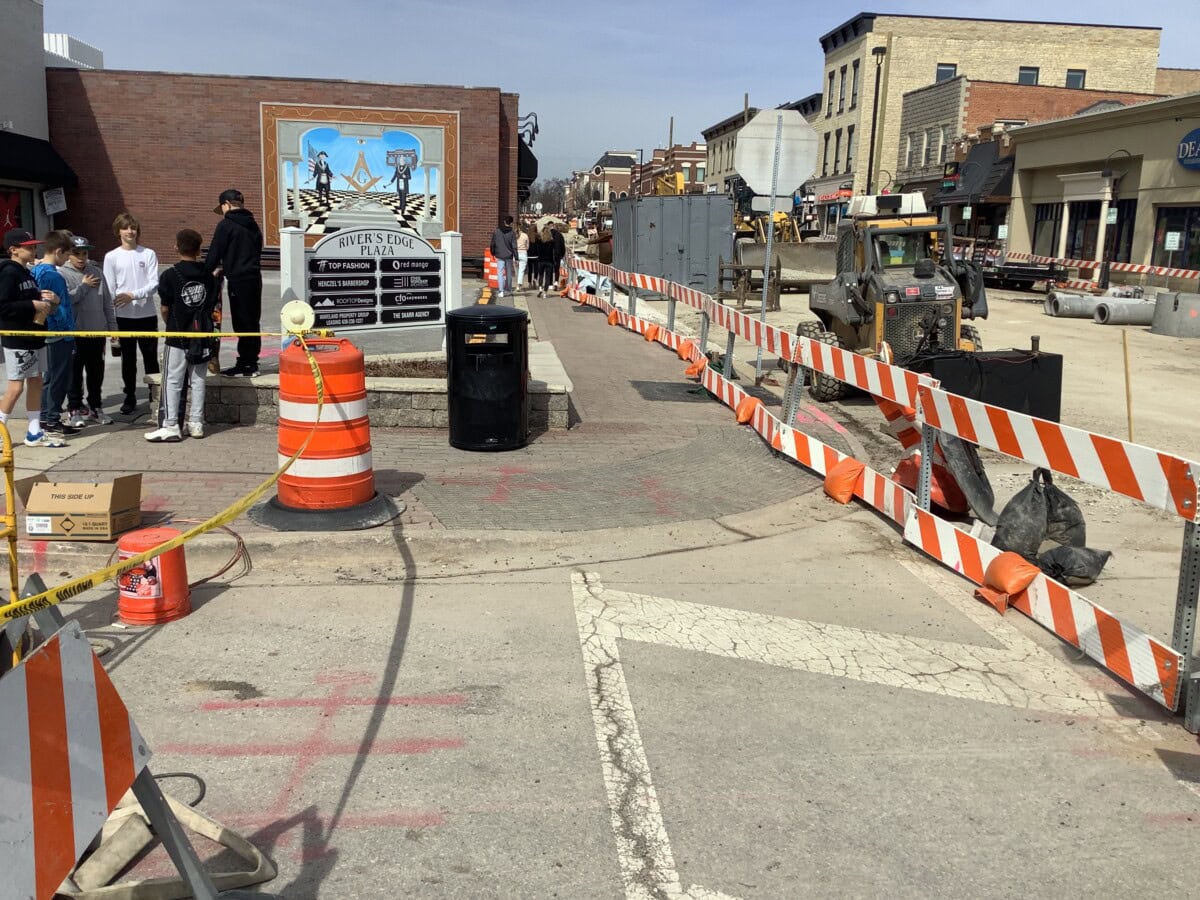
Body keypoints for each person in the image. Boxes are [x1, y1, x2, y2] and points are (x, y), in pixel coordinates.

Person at [145, 228, 217, 442]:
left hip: (178, 333)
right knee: (198, 379)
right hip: (202, 333)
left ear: (176, 247)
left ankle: (171, 424)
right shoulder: (208, 275)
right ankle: (196, 423)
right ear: (198, 249)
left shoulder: (169, 275)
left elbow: (165, 308)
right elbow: (212, 304)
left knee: (173, 380)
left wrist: (170, 324)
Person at [0, 230, 61, 447]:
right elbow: (3, 307)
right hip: (17, 337)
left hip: (35, 336)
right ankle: (0, 428)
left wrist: (49, 300)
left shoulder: (28, 273)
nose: (33, 249)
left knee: (36, 381)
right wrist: (32, 304)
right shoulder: (8, 272)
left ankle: (34, 431)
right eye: (27, 246)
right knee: (16, 386)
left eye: (34, 246)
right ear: (13, 249)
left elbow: (34, 301)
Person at [103, 211, 159, 414]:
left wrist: (133, 295)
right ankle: (130, 395)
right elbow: (109, 288)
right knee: (128, 359)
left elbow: (154, 284)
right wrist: (111, 322)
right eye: (126, 228)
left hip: (146, 315)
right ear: (118, 231)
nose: (130, 231)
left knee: (150, 357)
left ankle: (156, 394)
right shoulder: (111, 256)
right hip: (123, 316)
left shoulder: (148, 253)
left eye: (133, 228)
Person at [206, 189, 263, 377]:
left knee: (241, 322)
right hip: (254, 277)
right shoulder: (253, 225)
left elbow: (215, 252)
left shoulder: (226, 225)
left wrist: (205, 272)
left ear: (226, 205)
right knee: (252, 321)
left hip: (238, 279)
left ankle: (245, 363)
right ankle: (251, 361)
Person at [61, 235, 116, 426]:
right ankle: (74, 408)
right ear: (68, 254)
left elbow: (107, 302)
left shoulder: (97, 272)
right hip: (75, 332)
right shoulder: (63, 274)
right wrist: (84, 286)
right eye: (76, 253)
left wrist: (112, 327)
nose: (81, 257)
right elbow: (67, 300)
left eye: (84, 253)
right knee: (74, 372)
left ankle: (95, 407)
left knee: (96, 372)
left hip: (96, 331)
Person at [31, 230, 77, 437]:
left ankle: (44, 417)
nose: (67, 259)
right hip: (58, 333)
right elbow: (55, 308)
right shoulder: (53, 275)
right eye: (67, 255)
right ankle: (52, 419)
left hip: (43, 333)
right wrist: (59, 307)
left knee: (47, 378)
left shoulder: (35, 272)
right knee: (59, 378)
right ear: (59, 252)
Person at [489, 216, 517, 297]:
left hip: (499, 254)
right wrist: (516, 257)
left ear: (504, 222)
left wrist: (493, 253)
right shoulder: (512, 233)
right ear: (511, 223)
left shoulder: (497, 231)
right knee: (509, 273)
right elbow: (514, 246)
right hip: (509, 255)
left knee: (500, 272)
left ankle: (501, 290)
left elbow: (492, 243)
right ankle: (508, 289)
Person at [534, 226, 556, 297]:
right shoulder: (552, 241)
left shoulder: (539, 241)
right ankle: (545, 293)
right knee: (547, 277)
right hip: (549, 261)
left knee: (541, 275)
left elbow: (536, 240)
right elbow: (554, 251)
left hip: (541, 260)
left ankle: (540, 287)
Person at [515, 225, 530, 292]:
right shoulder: (525, 235)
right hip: (523, 253)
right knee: (521, 271)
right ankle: (519, 285)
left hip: (515, 254)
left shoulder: (514, 235)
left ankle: (518, 284)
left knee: (517, 271)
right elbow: (527, 246)